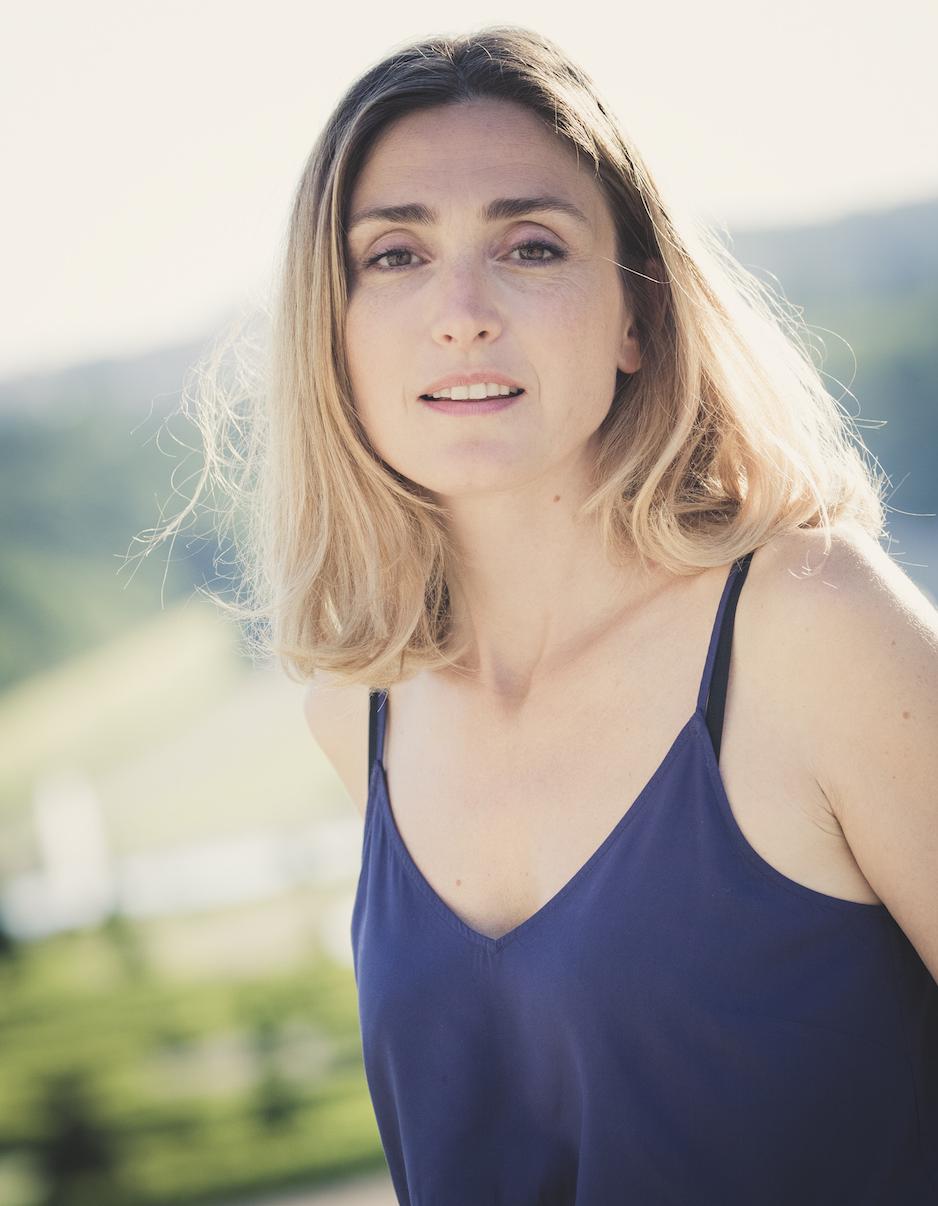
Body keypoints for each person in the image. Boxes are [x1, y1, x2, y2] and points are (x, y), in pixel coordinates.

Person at [157, 23, 938, 1205]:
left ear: (635, 318)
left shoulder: (807, 626)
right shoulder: (359, 713)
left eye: (528, 246)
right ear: (335, 335)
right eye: (393, 257)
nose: (461, 310)